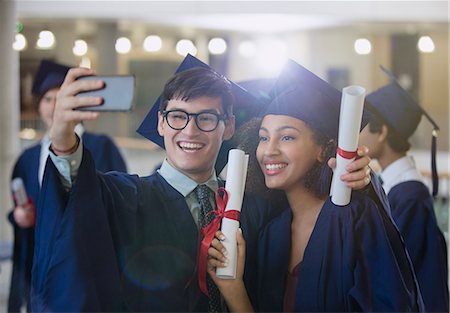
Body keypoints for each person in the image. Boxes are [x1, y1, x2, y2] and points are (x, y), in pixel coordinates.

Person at [32, 54, 371, 312]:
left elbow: (314, 198)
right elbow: (74, 193)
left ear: (228, 127)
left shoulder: (258, 205)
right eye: (178, 116)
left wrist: (353, 175)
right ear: (161, 123)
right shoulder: (124, 197)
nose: (190, 131)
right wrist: (63, 141)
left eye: (207, 118)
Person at [207, 60, 424, 312]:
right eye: (264, 137)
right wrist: (233, 288)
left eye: (287, 137)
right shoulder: (271, 233)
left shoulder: (356, 220)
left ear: (324, 148)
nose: (269, 150)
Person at [7, 60, 127, 313]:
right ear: (38, 105)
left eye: (62, 96)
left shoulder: (102, 146)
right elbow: (20, 205)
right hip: (42, 259)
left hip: (87, 260)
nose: (54, 106)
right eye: (48, 99)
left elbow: (120, 201)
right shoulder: (27, 158)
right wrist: (20, 217)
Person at [358, 66, 448, 312]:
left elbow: (397, 273)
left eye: (363, 125)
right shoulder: (397, 188)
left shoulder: (409, 196)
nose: (357, 133)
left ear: (382, 133)